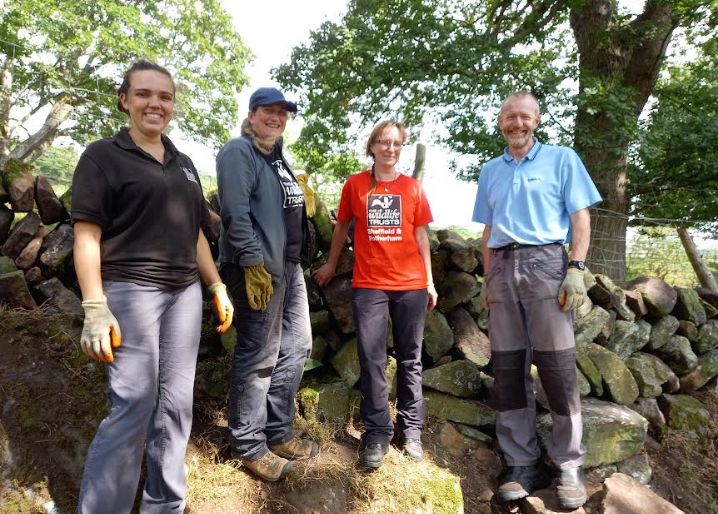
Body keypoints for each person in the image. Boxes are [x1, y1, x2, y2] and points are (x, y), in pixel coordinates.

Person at [71, 59, 233, 514]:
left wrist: (216, 285)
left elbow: (196, 231)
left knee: (177, 405)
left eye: (164, 96)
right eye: (144, 94)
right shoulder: (102, 156)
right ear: (125, 100)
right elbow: (87, 235)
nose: (154, 104)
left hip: (184, 294)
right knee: (133, 403)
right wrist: (95, 306)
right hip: (129, 291)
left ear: (173, 105)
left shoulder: (184, 164)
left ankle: (165, 504)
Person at [472, 91, 602, 509]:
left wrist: (577, 269)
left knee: (557, 366)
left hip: (547, 264)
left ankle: (568, 465)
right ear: (500, 122)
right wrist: (487, 277)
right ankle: (521, 462)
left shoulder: (562, 159)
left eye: (524, 116)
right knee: (508, 369)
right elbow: (487, 231)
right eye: (509, 116)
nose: (517, 123)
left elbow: (581, 216)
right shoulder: (490, 170)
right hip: (502, 271)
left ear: (537, 120)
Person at [313, 120, 437, 469]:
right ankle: (377, 432)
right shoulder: (355, 185)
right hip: (369, 285)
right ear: (373, 146)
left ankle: (411, 430)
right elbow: (340, 228)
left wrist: (428, 281)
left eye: (397, 143)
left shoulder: (412, 188)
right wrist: (331, 264)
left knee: (411, 359)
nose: (391, 148)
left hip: (410, 285)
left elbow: (422, 236)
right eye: (384, 142)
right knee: (371, 359)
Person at [216, 87, 317, 482]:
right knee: (259, 355)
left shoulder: (274, 156)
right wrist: (253, 263)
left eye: (282, 113)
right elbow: (235, 212)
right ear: (252, 113)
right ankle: (249, 445)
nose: (277, 118)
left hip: (288, 268)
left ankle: (277, 432)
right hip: (257, 270)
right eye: (269, 111)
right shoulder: (238, 151)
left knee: (297, 346)